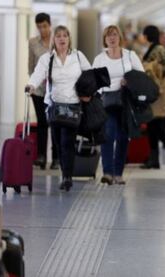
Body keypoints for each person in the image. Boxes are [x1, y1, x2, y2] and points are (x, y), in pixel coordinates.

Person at [27, 25, 91, 191]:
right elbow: (37, 74)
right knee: (58, 142)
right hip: (54, 106)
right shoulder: (47, 59)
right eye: (58, 36)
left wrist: (89, 92)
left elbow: (90, 76)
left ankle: (67, 176)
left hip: (73, 105)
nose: (62, 39)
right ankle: (65, 172)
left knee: (67, 141)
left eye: (65, 36)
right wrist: (31, 85)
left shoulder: (78, 56)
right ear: (54, 40)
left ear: (69, 38)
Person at [93, 25, 144, 185]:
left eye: (114, 35)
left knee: (122, 137)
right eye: (108, 36)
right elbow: (93, 80)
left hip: (125, 101)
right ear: (105, 39)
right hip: (106, 101)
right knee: (108, 135)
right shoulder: (100, 58)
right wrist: (102, 88)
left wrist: (129, 80)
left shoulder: (130, 55)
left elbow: (141, 76)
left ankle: (118, 173)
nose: (112, 38)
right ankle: (107, 172)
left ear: (119, 37)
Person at [141, 25, 165, 169]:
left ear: (147, 36)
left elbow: (164, 70)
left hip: (158, 92)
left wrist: (147, 67)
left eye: (144, 35)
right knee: (152, 126)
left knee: (155, 125)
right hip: (155, 92)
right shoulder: (155, 48)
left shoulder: (158, 50)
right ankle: (155, 159)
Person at [28, 13, 59, 170]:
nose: (42, 29)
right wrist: (34, 83)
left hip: (56, 90)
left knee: (55, 122)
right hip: (39, 90)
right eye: (39, 26)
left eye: (45, 26)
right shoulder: (33, 43)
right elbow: (31, 66)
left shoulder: (58, 40)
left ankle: (56, 158)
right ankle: (41, 156)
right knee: (42, 123)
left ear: (50, 25)